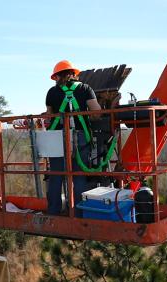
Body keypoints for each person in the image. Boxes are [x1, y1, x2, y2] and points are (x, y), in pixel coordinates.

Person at [45, 60, 101, 216]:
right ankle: (79, 213)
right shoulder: (85, 89)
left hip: (57, 138)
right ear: (74, 74)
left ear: (56, 76)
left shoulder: (52, 92)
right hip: (80, 137)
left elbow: (49, 117)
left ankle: (54, 211)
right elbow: (96, 112)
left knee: (56, 176)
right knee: (79, 177)